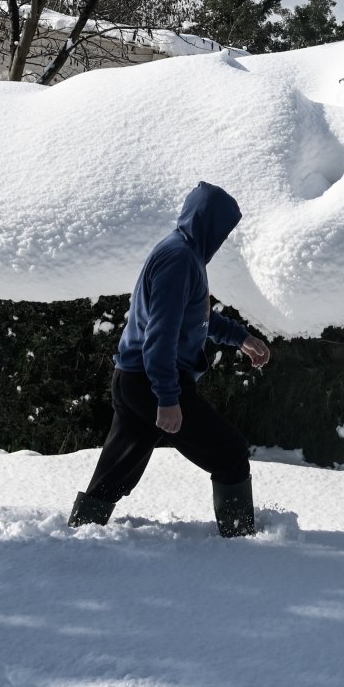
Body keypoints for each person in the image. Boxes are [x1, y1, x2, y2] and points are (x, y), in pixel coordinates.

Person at [69, 181, 272, 537]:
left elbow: (196, 318)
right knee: (230, 453)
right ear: (210, 224)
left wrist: (242, 338)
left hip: (134, 379)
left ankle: (78, 535)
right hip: (151, 382)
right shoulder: (179, 260)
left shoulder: (184, 253)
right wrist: (167, 398)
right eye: (223, 230)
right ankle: (240, 543)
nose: (223, 239)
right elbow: (159, 335)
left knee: (117, 470)